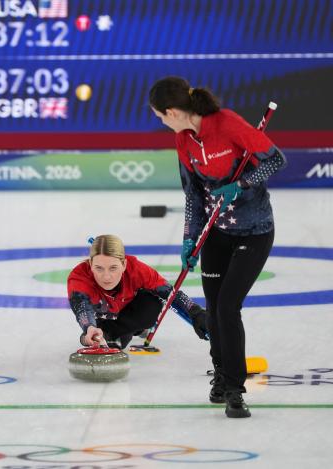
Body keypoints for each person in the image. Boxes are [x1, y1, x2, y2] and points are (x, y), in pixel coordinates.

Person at [149, 76, 287, 418]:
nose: (162, 123)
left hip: (254, 231)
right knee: (213, 307)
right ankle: (221, 377)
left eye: (160, 117)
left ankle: (236, 389)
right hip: (216, 234)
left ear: (172, 111)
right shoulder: (183, 141)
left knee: (227, 306)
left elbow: (275, 160)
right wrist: (188, 239)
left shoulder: (227, 123)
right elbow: (193, 195)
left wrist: (241, 184)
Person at [68, 234, 208, 352]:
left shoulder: (137, 270)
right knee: (111, 340)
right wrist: (90, 328)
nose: (106, 276)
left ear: (124, 264)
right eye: (99, 268)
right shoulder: (79, 277)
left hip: (128, 311)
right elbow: (82, 308)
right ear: (90, 264)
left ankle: (125, 330)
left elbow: (169, 293)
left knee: (152, 304)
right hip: (102, 319)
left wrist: (195, 312)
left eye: (113, 268)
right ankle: (112, 332)